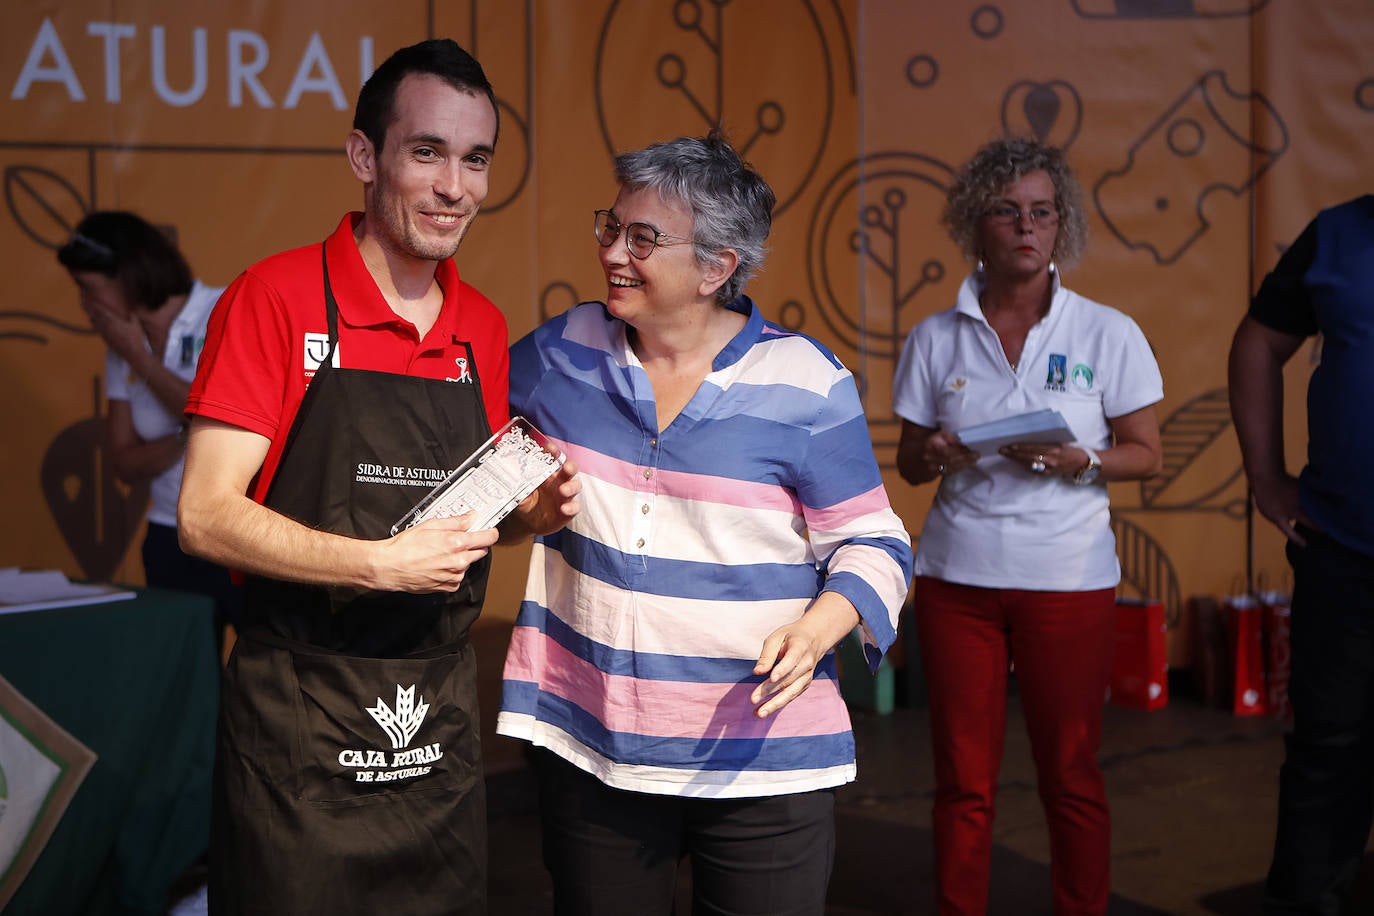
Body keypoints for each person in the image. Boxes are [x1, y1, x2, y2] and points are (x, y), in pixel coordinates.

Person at [177, 39, 579, 915]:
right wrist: (377, 564)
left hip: (435, 719)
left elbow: (469, 524)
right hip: (299, 722)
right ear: (366, 156)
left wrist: (527, 513)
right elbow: (204, 516)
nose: (454, 187)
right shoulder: (275, 297)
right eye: (426, 152)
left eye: (475, 160)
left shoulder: (482, 325)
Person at [494, 131, 913, 916]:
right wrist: (522, 513)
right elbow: (471, 452)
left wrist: (823, 626)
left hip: (764, 758)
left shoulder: (807, 384)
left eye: (643, 238)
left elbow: (877, 540)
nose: (614, 251)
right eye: (610, 227)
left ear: (717, 267)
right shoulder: (559, 353)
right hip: (595, 747)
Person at [891, 136, 1164, 915]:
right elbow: (911, 464)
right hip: (956, 579)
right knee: (962, 780)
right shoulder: (935, 336)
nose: (1026, 226)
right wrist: (940, 450)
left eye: (1042, 212)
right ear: (974, 225)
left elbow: (1145, 454)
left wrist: (1082, 458)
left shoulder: (1106, 332)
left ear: (1062, 225)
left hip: (1068, 579)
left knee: (1071, 773)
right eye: (1007, 212)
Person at [1228, 195, 1374, 915]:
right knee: (1328, 758)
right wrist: (1264, 478)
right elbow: (1259, 341)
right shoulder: (1339, 234)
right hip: (1346, 555)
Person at [57, 211, 240, 648]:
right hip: (166, 534)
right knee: (185, 682)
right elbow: (123, 463)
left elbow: (212, 409)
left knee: (260, 682)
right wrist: (191, 432)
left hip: (237, 530)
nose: (85, 305)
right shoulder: (121, 350)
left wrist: (141, 360)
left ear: (127, 278)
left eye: (88, 289)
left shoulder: (223, 309)